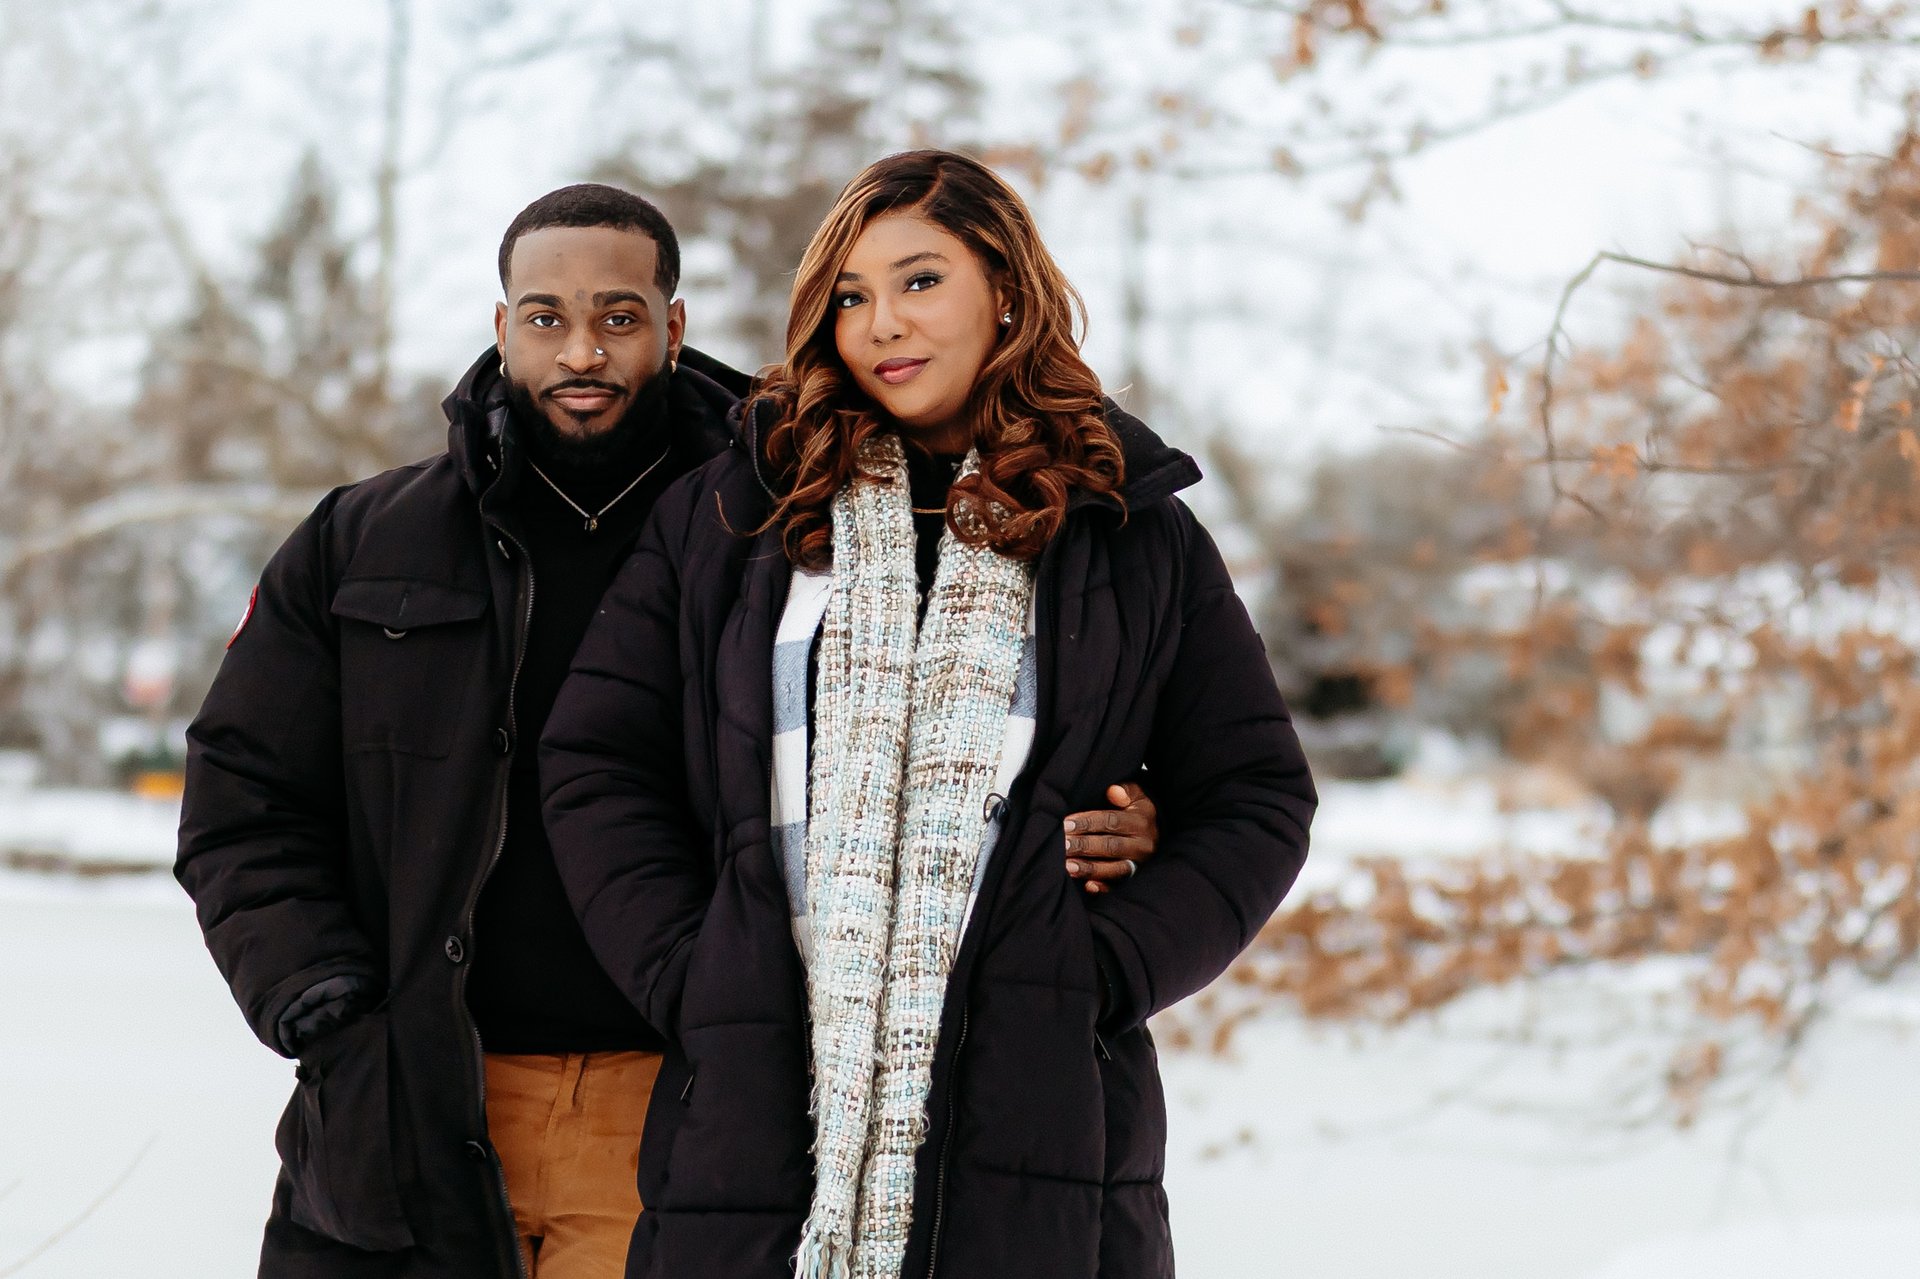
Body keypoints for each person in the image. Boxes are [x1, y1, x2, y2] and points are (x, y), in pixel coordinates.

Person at [174, 179, 1171, 1279]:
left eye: (618, 315)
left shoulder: (774, 516)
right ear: (502, 326)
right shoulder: (366, 540)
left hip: (675, 1102)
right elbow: (242, 795)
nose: (582, 350)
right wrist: (324, 1004)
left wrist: (1119, 814)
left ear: (673, 324)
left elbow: (953, 723)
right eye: (545, 317)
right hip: (406, 1098)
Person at [540, 150, 1316, 1279]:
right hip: (758, 1101)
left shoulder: (1126, 528)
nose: (880, 326)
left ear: (1006, 289)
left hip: (1038, 1108)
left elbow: (1255, 793)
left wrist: (1104, 967)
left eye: (919, 282)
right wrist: (694, 966)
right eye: (850, 297)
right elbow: (596, 759)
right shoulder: (738, 511)